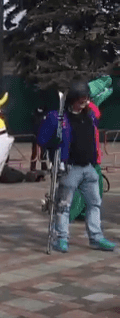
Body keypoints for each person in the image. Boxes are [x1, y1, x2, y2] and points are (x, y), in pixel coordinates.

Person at [37, 81, 116, 253]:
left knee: (94, 204)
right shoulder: (58, 118)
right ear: (72, 99)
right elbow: (41, 139)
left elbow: (96, 114)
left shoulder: (89, 116)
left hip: (89, 168)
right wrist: (53, 142)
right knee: (64, 206)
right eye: (81, 98)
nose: (84, 101)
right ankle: (61, 239)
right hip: (70, 169)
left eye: (86, 98)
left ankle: (96, 237)